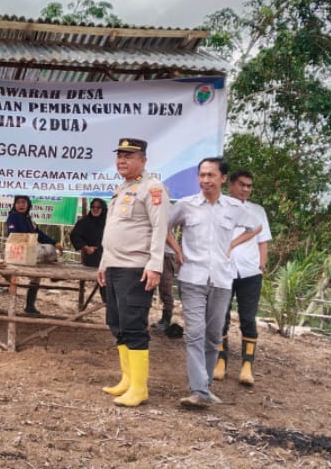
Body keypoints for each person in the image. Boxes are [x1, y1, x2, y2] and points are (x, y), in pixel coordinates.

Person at [167, 157, 262, 409]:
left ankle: (204, 388)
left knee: (212, 336)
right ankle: (198, 390)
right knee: (194, 333)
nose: (205, 180)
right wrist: (177, 250)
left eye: (211, 175)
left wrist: (231, 244)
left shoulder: (233, 207)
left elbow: (255, 227)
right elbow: (163, 226)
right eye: (202, 175)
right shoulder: (186, 205)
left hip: (221, 279)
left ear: (222, 179)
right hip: (192, 278)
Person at [96, 137, 169, 407]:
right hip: (114, 267)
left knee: (134, 325)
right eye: (119, 156)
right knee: (117, 324)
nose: (122, 160)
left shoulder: (153, 188)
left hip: (135, 269)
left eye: (129, 156)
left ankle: (139, 388)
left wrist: (155, 266)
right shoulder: (121, 188)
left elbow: (160, 229)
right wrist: (104, 263)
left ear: (143, 160)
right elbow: (112, 231)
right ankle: (127, 380)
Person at [213, 168, 272, 386]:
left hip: (249, 271)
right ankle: (221, 360)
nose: (245, 189)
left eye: (249, 186)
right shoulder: (220, 207)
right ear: (231, 185)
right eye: (242, 185)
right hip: (224, 269)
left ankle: (247, 365)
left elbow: (263, 240)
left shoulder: (258, 210)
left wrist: (262, 266)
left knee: (248, 317)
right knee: (221, 316)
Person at [6, 194, 57, 316]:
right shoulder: (13, 217)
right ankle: (29, 305)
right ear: (14, 205)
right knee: (44, 253)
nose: (21, 205)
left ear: (28, 205)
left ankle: (30, 306)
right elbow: (13, 234)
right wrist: (31, 242)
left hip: (31, 251)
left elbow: (39, 234)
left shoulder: (29, 219)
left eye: (24, 202)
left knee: (50, 249)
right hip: (18, 252)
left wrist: (55, 242)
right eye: (18, 202)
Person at [71, 197, 107, 301]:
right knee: (105, 278)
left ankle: (110, 304)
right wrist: (85, 247)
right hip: (93, 258)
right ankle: (108, 302)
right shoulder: (85, 222)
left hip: (110, 257)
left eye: (98, 207)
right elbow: (75, 235)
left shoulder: (110, 222)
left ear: (103, 209)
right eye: (93, 207)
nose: (95, 209)